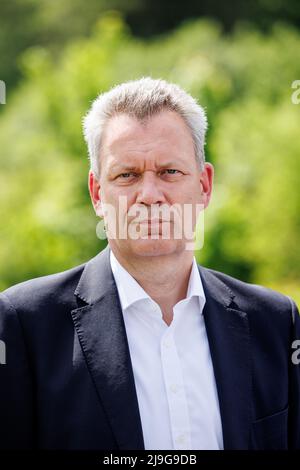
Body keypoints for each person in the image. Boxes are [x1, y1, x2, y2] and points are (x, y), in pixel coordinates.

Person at [0, 77, 299, 450]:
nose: (150, 195)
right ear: (97, 193)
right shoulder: (24, 324)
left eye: (169, 172)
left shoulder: (276, 322)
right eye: (127, 175)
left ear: (204, 186)